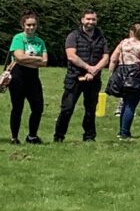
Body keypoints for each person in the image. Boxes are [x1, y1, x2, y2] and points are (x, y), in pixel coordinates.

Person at [54, 9, 109, 143]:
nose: (90, 22)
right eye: (88, 19)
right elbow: (71, 56)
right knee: (67, 108)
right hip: (74, 78)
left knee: (90, 110)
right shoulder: (73, 36)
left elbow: (106, 57)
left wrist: (95, 70)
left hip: (93, 80)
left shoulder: (101, 38)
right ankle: (59, 136)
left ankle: (89, 136)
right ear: (82, 20)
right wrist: (88, 68)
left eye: (93, 19)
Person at [7, 11, 48, 144]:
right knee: (17, 107)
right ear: (23, 25)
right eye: (28, 25)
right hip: (18, 76)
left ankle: (32, 136)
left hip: (33, 76)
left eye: (33, 25)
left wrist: (26, 59)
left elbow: (45, 62)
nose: (31, 27)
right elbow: (18, 57)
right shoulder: (18, 38)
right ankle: (14, 137)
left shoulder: (39, 41)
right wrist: (36, 58)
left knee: (38, 107)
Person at [108, 23, 140, 140]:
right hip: (135, 74)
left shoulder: (123, 43)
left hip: (122, 72)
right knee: (131, 105)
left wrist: (111, 74)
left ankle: (121, 131)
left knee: (124, 102)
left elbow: (113, 59)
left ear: (130, 32)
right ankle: (124, 132)